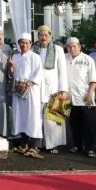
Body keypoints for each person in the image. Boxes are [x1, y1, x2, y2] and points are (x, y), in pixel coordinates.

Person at [33, 25, 68, 154]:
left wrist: (63, 90)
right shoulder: (34, 49)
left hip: (53, 89)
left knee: (52, 118)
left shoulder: (58, 50)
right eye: (41, 35)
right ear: (38, 37)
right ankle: (41, 143)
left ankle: (53, 144)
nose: (43, 37)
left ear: (50, 36)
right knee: (38, 118)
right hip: (37, 89)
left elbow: (62, 71)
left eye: (46, 35)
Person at [10, 32, 44, 159]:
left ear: (30, 44)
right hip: (18, 89)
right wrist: (11, 68)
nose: (24, 45)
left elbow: (39, 73)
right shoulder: (15, 57)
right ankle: (23, 143)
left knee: (33, 116)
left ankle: (35, 146)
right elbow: (12, 74)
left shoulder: (35, 57)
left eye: (26, 43)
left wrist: (27, 84)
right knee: (20, 115)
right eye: (22, 43)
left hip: (31, 90)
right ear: (19, 44)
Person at [65, 37, 96, 158]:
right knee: (74, 125)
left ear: (80, 46)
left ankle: (91, 148)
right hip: (70, 98)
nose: (72, 49)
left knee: (89, 125)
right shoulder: (64, 58)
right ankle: (77, 145)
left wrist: (90, 94)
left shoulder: (87, 59)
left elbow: (93, 80)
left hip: (85, 98)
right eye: (69, 47)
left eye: (74, 46)